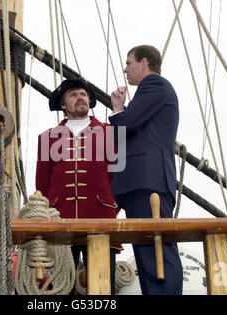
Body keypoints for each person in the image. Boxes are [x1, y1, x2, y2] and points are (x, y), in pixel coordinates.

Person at [36, 78, 122, 294]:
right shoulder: (47, 138)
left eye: (83, 94)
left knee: (102, 288)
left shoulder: (109, 132)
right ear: (63, 104)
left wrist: (111, 206)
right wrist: (50, 211)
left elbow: (119, 176)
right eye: (74, 95)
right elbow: (41, 184)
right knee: (61, 288)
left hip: (101, 217)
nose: (81, 97)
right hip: (60, 220)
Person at [109, 45, 183, 295]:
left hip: (147, 181)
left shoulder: (154, 85)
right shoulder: (150, 93)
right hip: (142, 181)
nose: (125, 69)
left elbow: (127, 126)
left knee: (157, 248)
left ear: (143, 63)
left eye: (128, 63)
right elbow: (127, 131)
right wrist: (120, 110)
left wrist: (119, 112)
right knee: (147, 251)